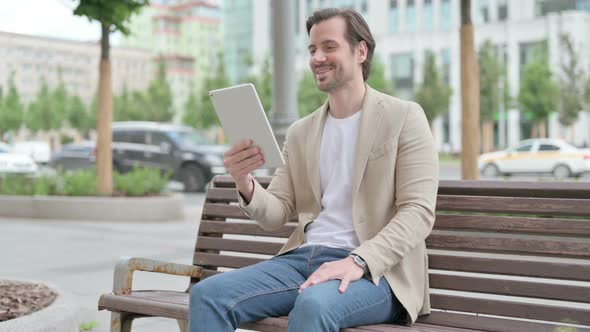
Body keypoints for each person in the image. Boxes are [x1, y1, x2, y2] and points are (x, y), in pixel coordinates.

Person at [189, 8, 438, 331]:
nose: (317, 57)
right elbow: (276, 213)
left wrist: (358, 260)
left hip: (377, 272)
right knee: (208, 295)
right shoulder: (301, 132)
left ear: (361, 51)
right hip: (302, 261)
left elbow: (418, 212)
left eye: (329, 47)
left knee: (314, 305)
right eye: (312, 50)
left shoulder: (404, 116)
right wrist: (244, 181)